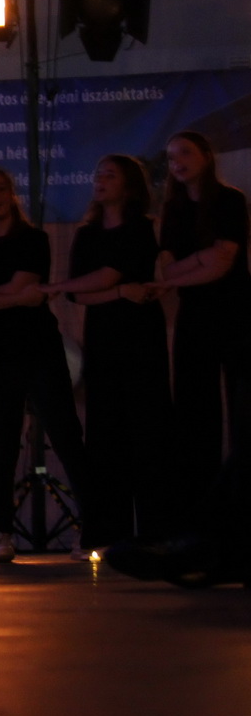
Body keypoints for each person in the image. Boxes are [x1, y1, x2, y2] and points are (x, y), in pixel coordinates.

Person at [0, 166, 90, 563]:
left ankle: (93, 529)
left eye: (1, 188)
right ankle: (0, 533)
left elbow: (0, 290)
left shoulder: (34, 239)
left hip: (40, 349)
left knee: (66, 437)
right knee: (1, 446)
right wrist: (12, 298)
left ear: (12, 195)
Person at [41, 155, 170, 546]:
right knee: (105, 433)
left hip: (141, 340)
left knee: (146, 431)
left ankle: (155, 532)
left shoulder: (142, 228)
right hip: (103, 340)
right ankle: (109, 535)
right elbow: (82, 293)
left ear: (128, 186)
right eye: (98, 174)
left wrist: (64, 287)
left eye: (109, 175)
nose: (100, 180)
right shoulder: (87, 234)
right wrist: (118, 293)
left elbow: (107, 274)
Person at [149, 130, 251, 520]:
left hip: (236, 313)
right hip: (194, 317)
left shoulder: (229, 200)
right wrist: (201, 258)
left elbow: (222, 264)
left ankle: (240, 506)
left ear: (206, 156)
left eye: (185, 153)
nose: (176, 162)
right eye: (171, 156)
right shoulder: (173, 209)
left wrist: (186, 266)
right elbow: (170, 269)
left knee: (242, 409)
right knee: (194, 410)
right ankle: (200, 512)